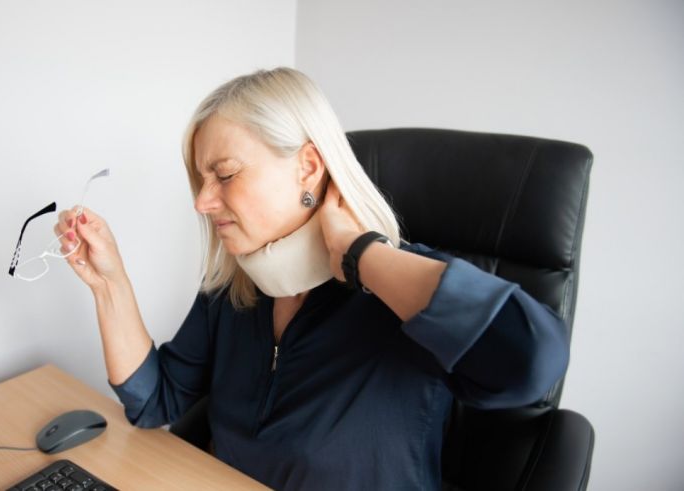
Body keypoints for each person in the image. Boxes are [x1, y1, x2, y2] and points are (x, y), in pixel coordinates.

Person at [53, 67, 569, 490]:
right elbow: (154, 403)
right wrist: (109, 284)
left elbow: (532, 363)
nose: (202, 202)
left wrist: (360, 252)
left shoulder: (403, 292)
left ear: (307, 168)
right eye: (201, 180)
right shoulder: (234, 291)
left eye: (225, 174)